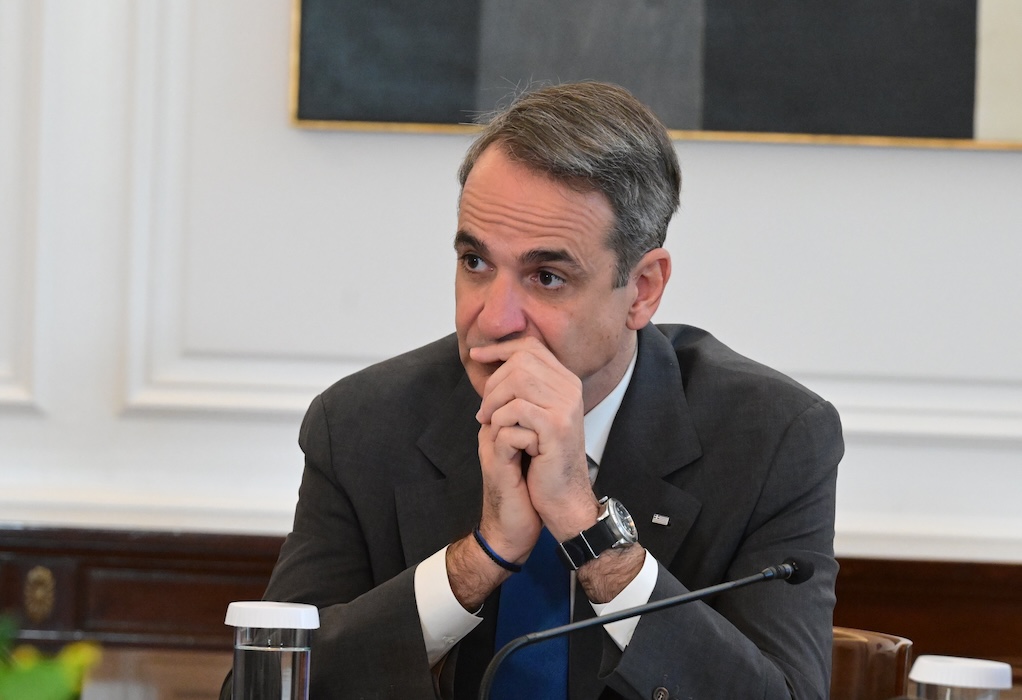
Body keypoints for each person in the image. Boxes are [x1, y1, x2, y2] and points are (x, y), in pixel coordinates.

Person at [234, 81, 843, 699]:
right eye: (475, 263)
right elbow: (265, 685)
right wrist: (481, 558)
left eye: (547, 277)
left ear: (642, 290)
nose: (494, 319)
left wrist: (588, 529)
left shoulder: (773, 438)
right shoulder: (361, 424)